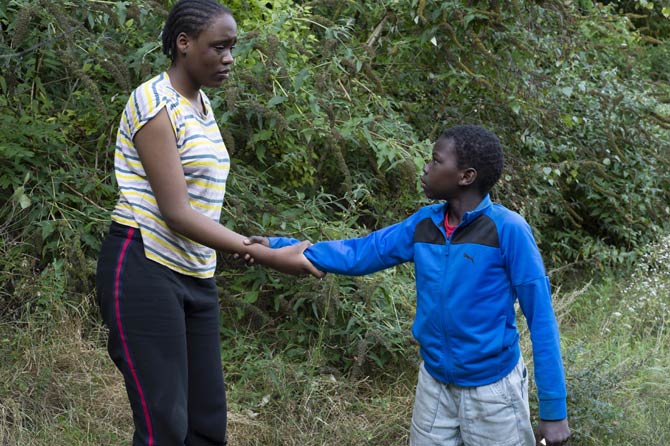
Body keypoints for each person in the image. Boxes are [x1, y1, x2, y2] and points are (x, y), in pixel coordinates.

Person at [245, 125, 570, 445]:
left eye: (436, 160)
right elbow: (362, 252)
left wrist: (554, 412)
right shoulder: (425, 224)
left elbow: (540, 319)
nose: (426, 167)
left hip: (493, 391)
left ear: (466, 176)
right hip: (435, 384)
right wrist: (279, 246)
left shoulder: (508, 230)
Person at [95, 1, 323, 445]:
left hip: (197, 275)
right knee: (165, 426)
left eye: (232, 48)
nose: (229, 58)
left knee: (206, 424)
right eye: (219, 47)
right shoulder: (153, 100)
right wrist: (264, 253)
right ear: (184, 43)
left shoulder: (200, 106)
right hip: (143, 266)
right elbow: (177, 213)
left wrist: (245, 241)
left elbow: (199, 206)